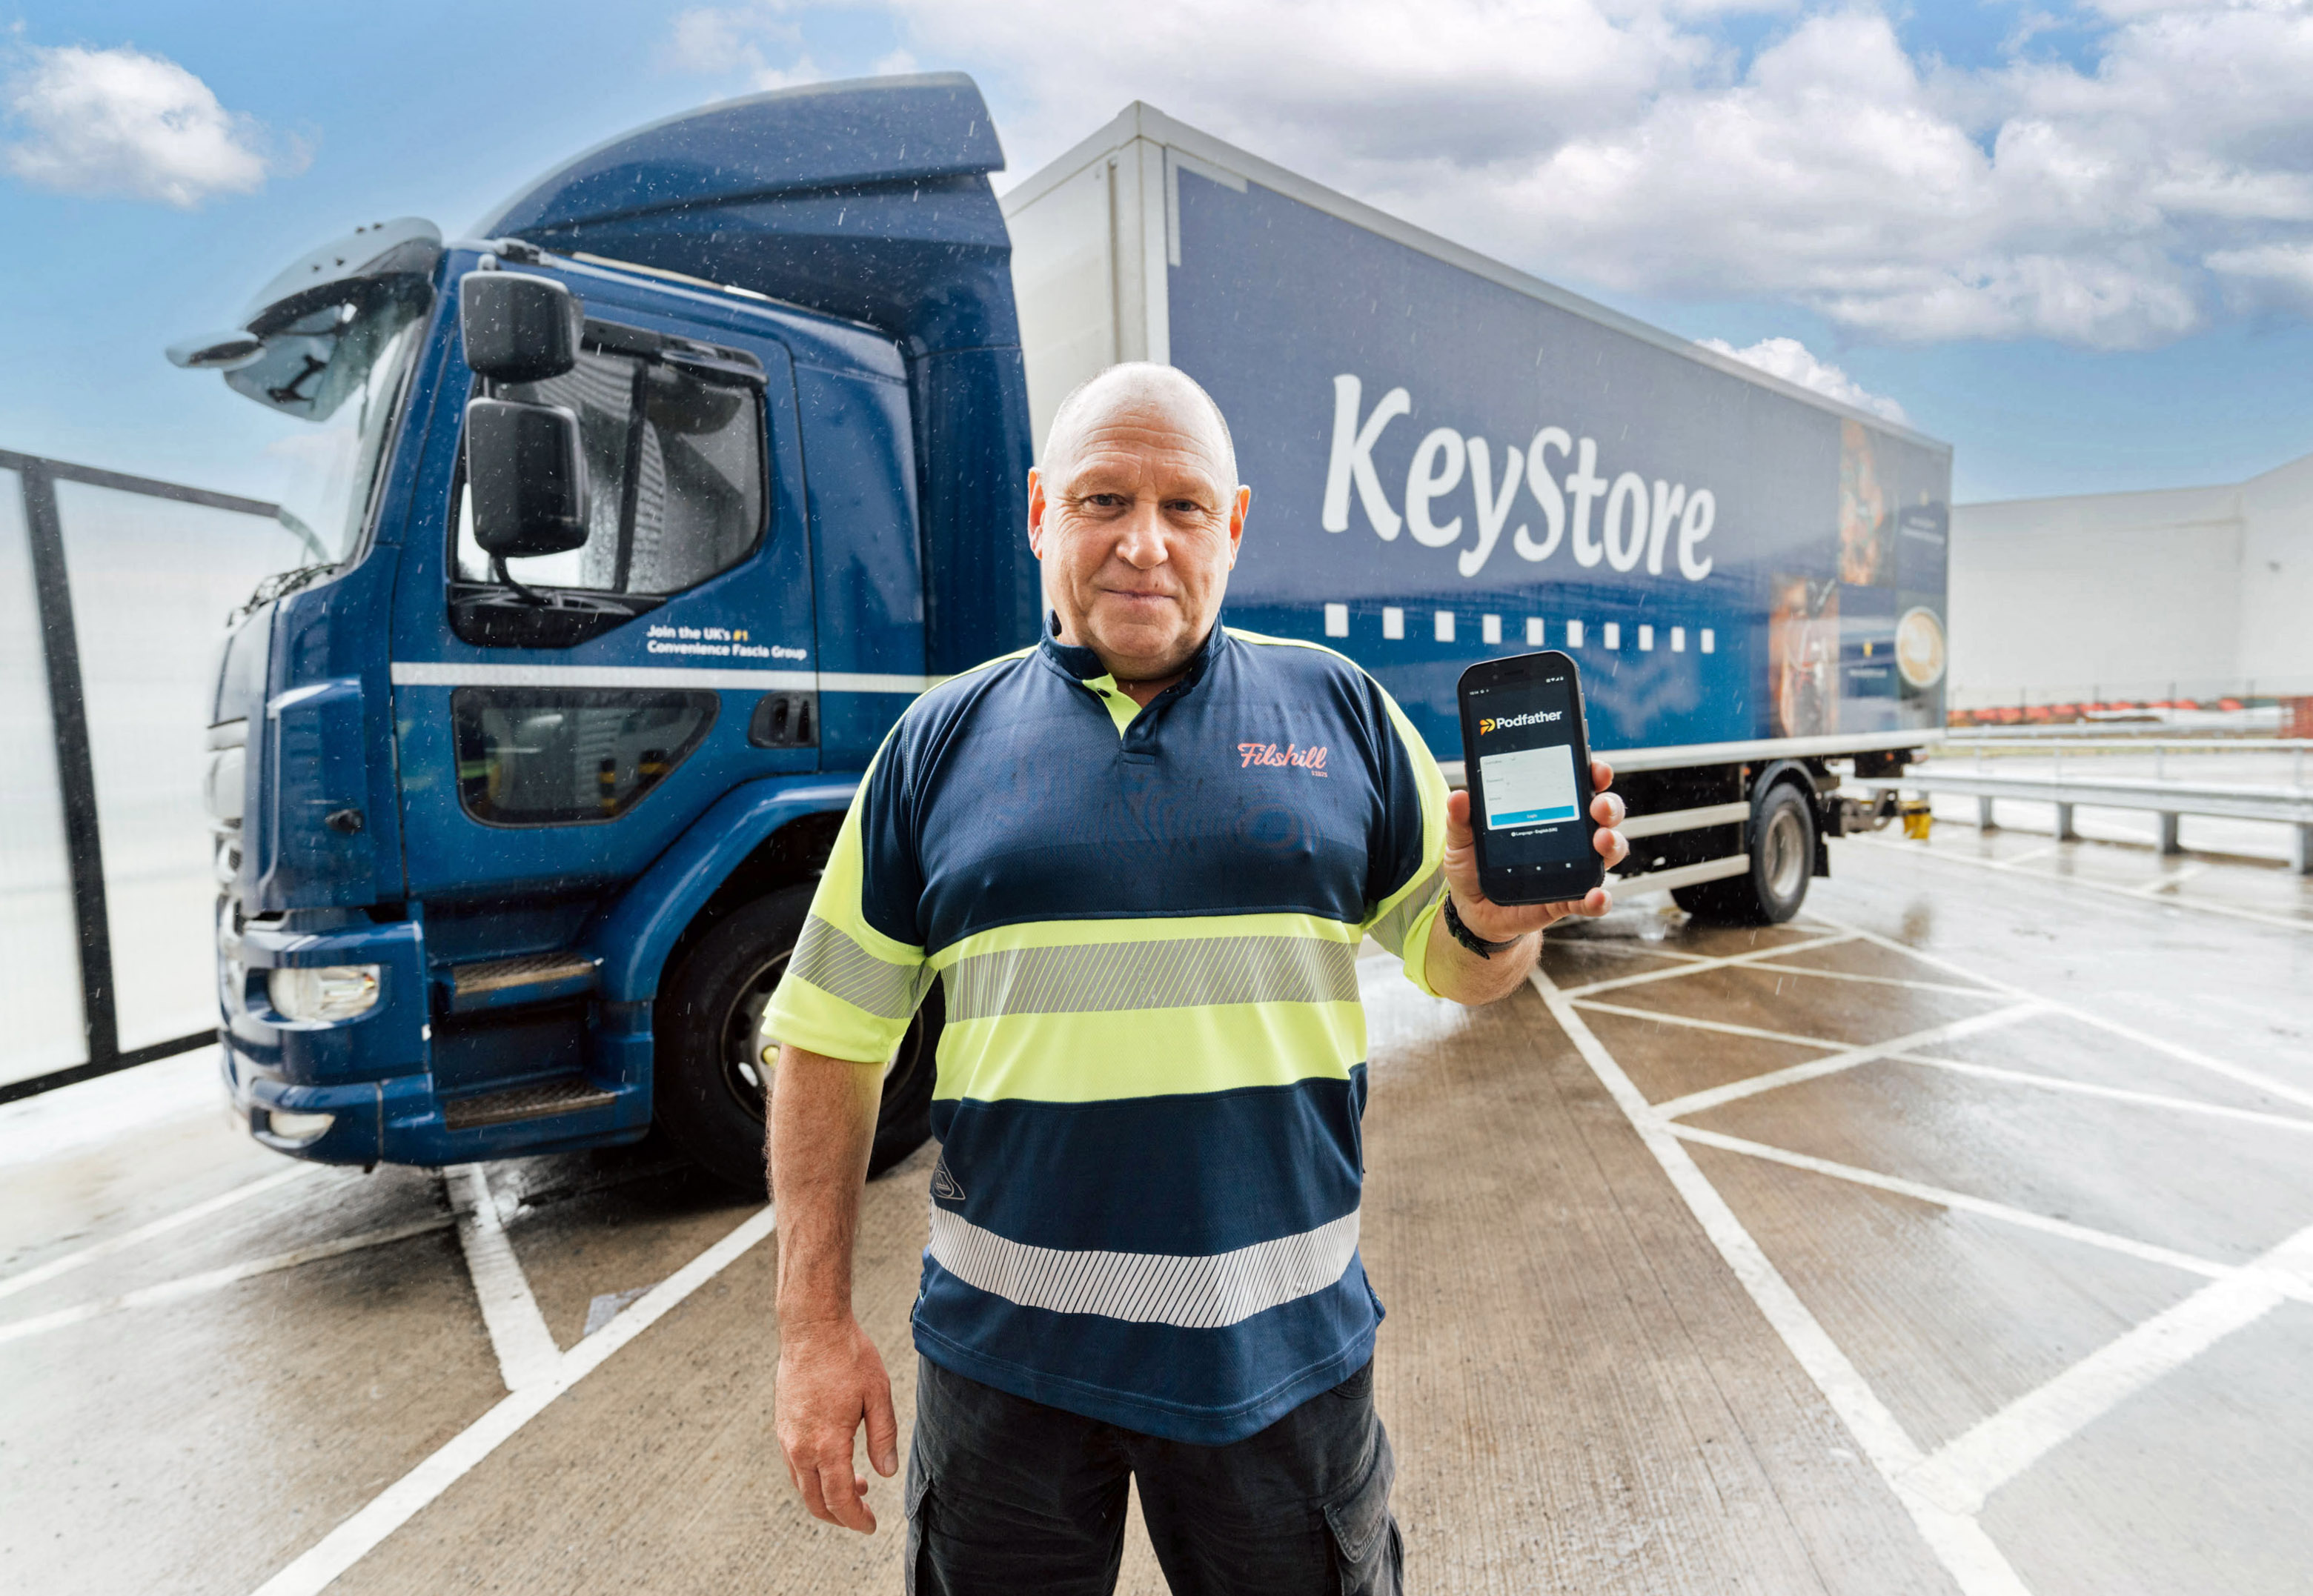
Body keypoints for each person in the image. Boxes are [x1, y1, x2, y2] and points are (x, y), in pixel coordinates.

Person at [763, 363, 1628, 1595]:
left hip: (1278, 1370)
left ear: (1231, 526)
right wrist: (810, 1329)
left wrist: (1493, 921)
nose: (1142, 545)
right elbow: (830, 1042)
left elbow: (1459, 963)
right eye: (1103, 499)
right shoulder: (934, 746)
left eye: (1183, 507)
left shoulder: (1341, 713)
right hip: (1003, 1373)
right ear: (1037, 513)